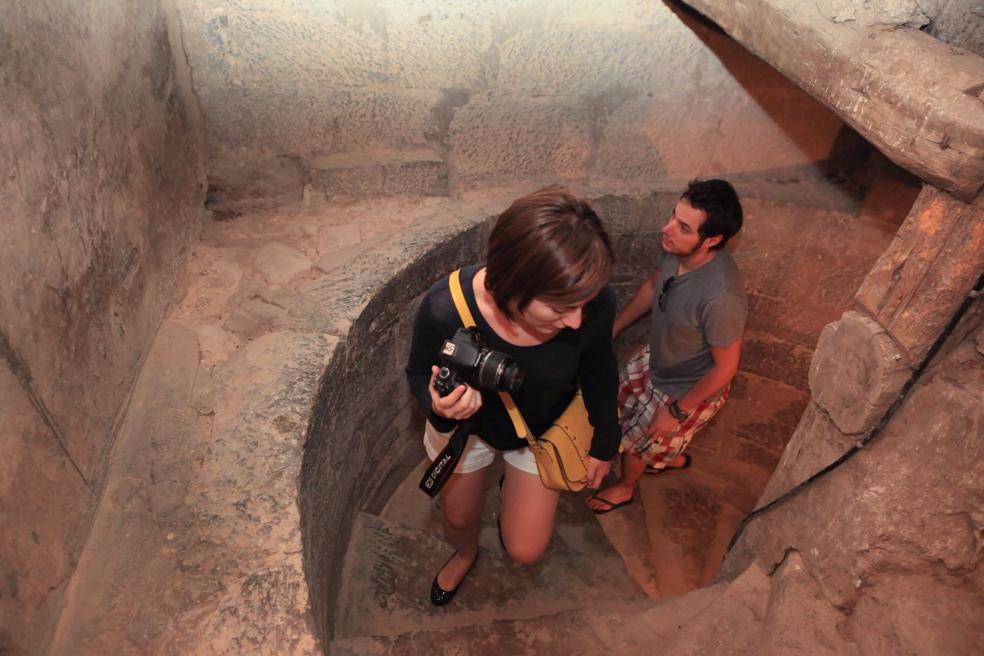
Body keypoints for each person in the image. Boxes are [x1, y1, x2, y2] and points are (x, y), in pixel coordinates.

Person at [406, 188, 620, 606]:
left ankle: (512, 487)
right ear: (511, 283)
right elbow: (416, 372)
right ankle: (466, 553)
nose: (577, 320)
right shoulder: (443, 309)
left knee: (525, 549)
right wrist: (438, 406)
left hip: (540, 430)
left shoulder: (589, 301)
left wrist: (605, 440)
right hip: (465, 433)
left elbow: (600, 369)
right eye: (560, 308)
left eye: (584, 304)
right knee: (458, 516)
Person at [586, 179, 746, 514]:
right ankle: (667, 453)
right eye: (673, 216)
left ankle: (626, 487)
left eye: (683, 226)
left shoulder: (721, 298)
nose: (667, 228)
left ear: (713, 239)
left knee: (640, 444)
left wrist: (676, 412)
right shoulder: (675, 248)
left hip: (686, 389)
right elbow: (653, 285)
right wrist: (614, 328)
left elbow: (726, 367)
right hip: (657, 359)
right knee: (620, 405)